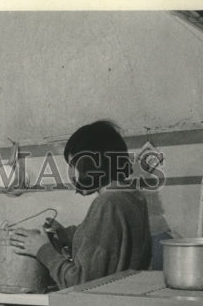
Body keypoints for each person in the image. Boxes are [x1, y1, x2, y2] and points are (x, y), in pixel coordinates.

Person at [10, 120, 152, 286]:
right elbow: (107, 241)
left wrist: (43, 251)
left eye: (73, 164)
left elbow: (81, 282)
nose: (71, 174)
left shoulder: (108, 203)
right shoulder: (132, 197)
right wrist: (66, 235)